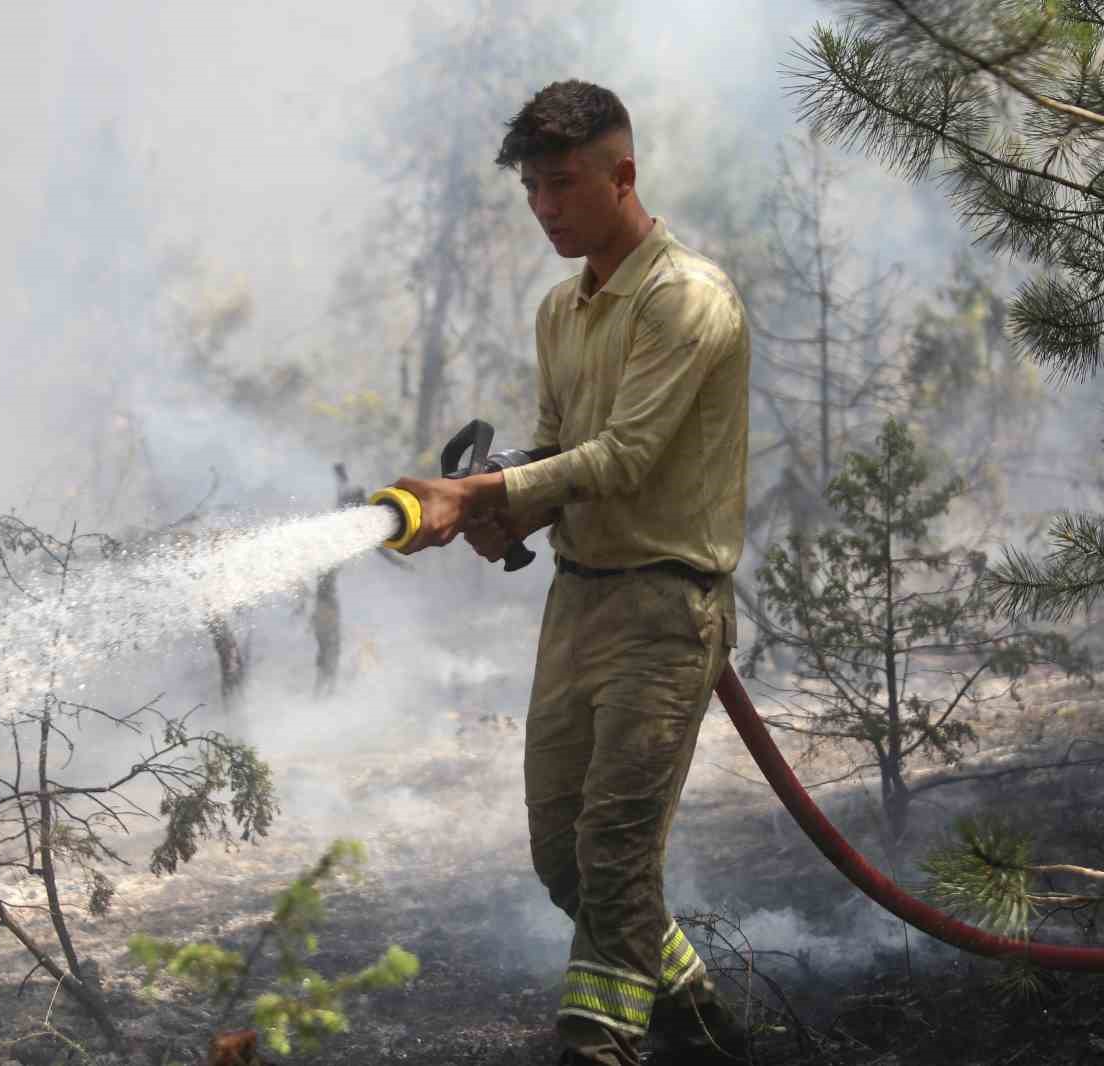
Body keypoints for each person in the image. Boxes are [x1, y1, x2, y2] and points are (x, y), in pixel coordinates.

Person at [391, 79, 750, 1066]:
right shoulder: (562, 311)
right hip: (578, 598)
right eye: (532, 191)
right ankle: (712, 1031)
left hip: (666, 607)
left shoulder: (687, 301)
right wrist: (497, 498)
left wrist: (484, 495)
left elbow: (627, 455)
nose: (545, 208)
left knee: (616, 857)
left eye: (562, 184)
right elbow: (558, 446)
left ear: (621, 174)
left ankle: (598, 1043)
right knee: (565, 860)